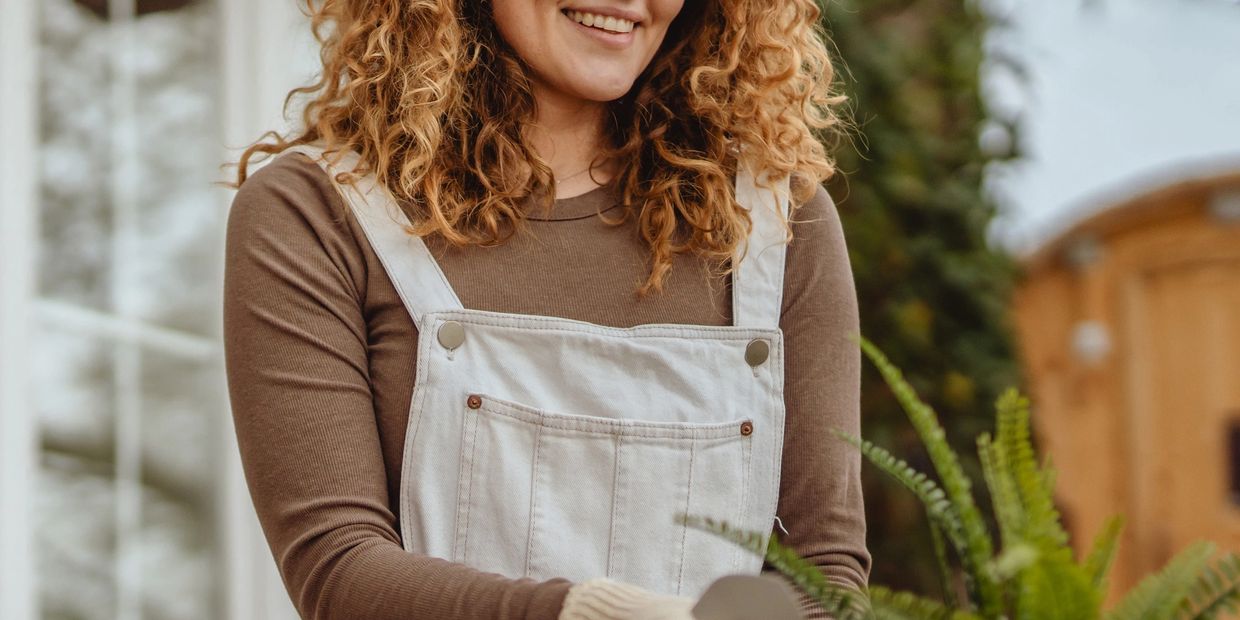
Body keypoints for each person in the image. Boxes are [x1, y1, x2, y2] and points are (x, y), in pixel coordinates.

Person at [223, 0, 871, 618]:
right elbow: (339, 573)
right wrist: (601, 614)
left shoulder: (777, 224)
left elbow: (825, 577)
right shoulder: (320, 215)